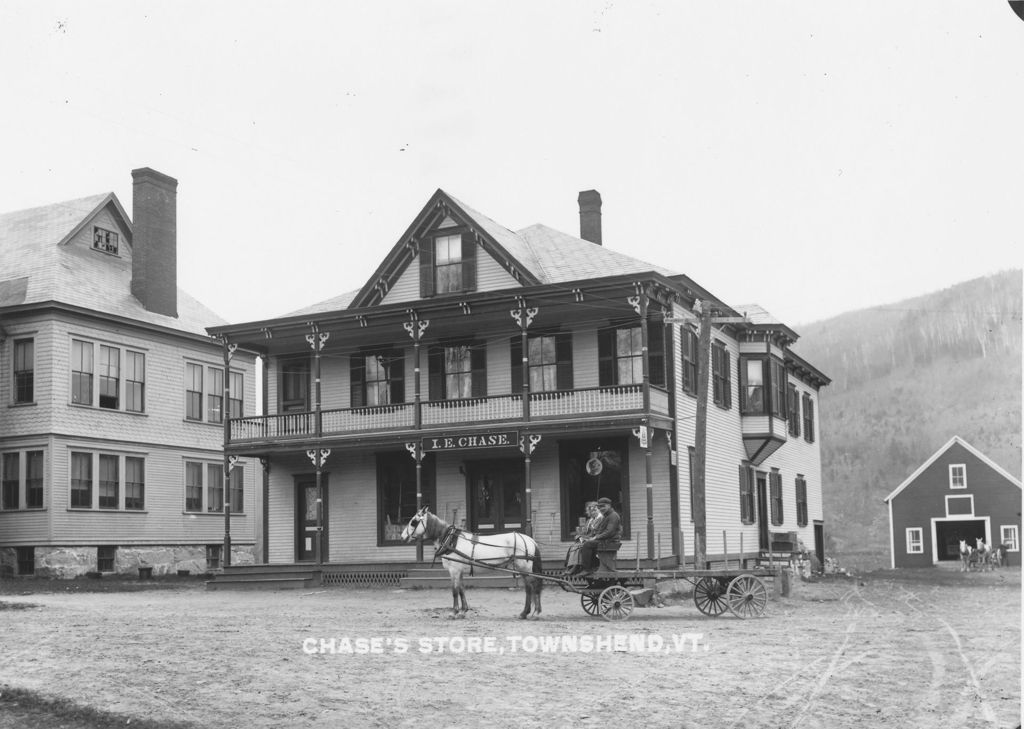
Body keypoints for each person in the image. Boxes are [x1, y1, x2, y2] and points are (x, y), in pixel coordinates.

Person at [571, 497, 622, 576]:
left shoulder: (613, 516)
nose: (601, 509)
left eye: (603, 506)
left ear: (609, 505)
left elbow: (609, 532)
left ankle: (587, 569)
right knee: (585, 544)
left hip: (610, 541)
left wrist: (596, 537)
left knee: (587, 545)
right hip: (606, 540)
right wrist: (591, 536)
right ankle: (592, 566)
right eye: (599, 507)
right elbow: (601, 530)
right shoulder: (607, 516)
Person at [564, 502, 601, 574]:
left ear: (598, 510)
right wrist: (580, 535)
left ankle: (576, 567)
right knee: (573, 546)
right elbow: (584, 532)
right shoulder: (590, 520)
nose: (592, 512)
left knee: (579, 546)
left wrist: (586, 537)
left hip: (596, 539)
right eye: (591, 511)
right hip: (589, 538)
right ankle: (572, 566)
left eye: (595, 510)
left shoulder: (600, 519)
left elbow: (596, 532)